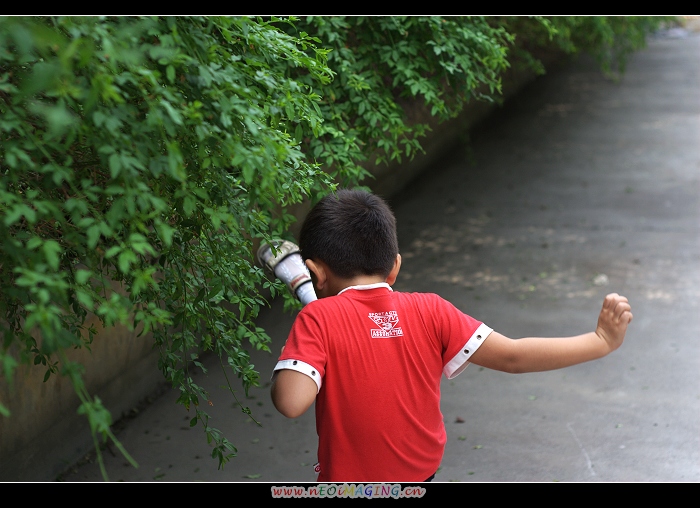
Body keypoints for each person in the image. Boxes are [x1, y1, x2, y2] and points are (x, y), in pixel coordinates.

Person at [270, 188, 633, 483]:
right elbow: (514, 356)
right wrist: (601, 340)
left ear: (317, 273)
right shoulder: (431, 309)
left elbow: (291, 401)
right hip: (420, 476)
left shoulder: (318, 317)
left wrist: (311, 317)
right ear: (394, 266)